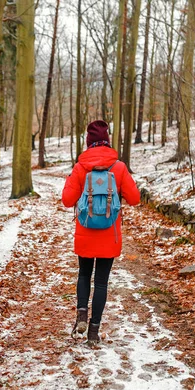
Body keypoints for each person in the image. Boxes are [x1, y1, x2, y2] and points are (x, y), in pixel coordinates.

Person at [61, 120, 140, 343]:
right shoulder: (119, 167)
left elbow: (67, 200)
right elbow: (135, 199)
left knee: (84, 274)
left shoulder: (80, 168)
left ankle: (81, 314)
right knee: (102, 282)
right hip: (110, 234)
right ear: (108, 141)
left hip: (85, 231)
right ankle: (94, 333)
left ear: (88, 143)